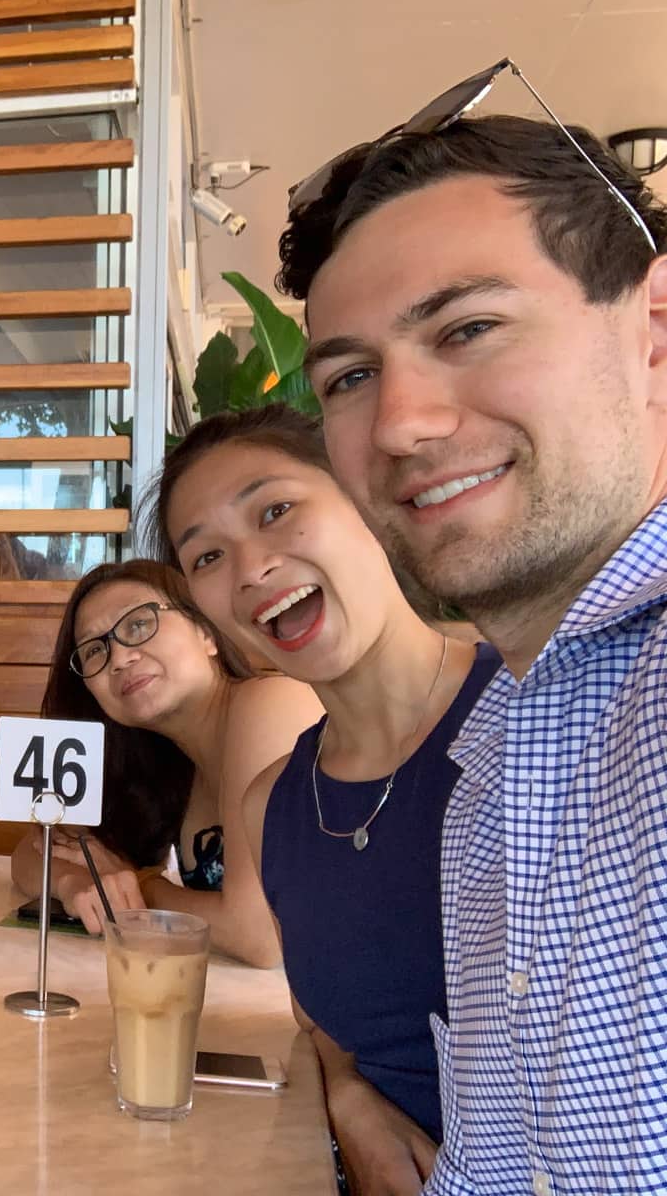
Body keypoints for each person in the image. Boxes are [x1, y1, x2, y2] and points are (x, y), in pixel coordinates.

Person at [278, 76, 667, 1192]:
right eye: (351, 377)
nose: (400, 422)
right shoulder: (497, 746)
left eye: (468, 328)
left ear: (653, 335)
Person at [157, 405, 497, 1195]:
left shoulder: (536, 705)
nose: (247, 569)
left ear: (366, 501)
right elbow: (322, 1019)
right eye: (206, 556)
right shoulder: (270, 803)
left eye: (275, 510)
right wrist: (349, 1095)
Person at [9, 558, 322, 962]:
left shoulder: (271, 703)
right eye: (94, 650)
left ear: (207, 631)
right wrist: (72, 880)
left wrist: (142, 884)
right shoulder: (165, 766)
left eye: (138, 625)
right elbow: (31, 853)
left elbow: (260, 936)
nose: (119, 659)